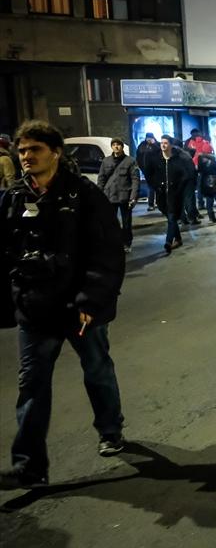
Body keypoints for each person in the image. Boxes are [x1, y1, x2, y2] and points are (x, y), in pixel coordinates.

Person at [0, 121, 126, 489]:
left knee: (97, 369)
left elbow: (106, 252)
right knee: (32, 386)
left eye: (34, 149)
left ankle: (110, 429)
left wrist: (90, 300)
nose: (26, 157)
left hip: (78, 307)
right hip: (35, 309)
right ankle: (29, 465)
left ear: (54, 152)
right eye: (22, 151)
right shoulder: (13, 197)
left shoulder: (83, 195)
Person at [147, 136, 191, 254]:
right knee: (169, 216)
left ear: (170, 145)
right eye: (161, 143)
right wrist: (156, 186)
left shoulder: (177, 159)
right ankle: (178, 239)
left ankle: (168, 241)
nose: (163, 145)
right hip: (161, 194)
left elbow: (185, 175)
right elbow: (149, 174)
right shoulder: (157, 159)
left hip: (174, 194)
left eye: (166, 143)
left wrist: (179, 188)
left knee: (172, 216)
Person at [96, 139, 140, 251]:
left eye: (118, 145)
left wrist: (133, 197)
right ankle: (113, 243)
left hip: (125, 196)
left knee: (126, 223)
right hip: (109, 196)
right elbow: (101, 179)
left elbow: (135, 180)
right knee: (110, 222)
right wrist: (99, 196)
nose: (116, 147)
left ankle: (127, 243)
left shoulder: (130, 161)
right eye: (114, 145)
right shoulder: (106, 161)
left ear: (122, 147)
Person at [184, 128, 213, 211]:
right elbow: (209, 151)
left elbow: (186, 154)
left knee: (195, 186)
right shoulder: (204, 141)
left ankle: (196, 205)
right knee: (205, 184)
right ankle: (205, 203)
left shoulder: (188, 142)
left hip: (192, 166)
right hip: (204, 165)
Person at [196, 151, 216, 223]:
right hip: (215, 183)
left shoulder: (201, 164)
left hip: (205, 184)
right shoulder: (213, 162)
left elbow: (198, 172)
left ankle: (212, 218)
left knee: (209, 201)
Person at [135, 134, 159, 210]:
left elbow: (160, 152)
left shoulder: (157, 144)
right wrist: (141, 167)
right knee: (151, 187)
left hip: (157, 170)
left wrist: (154, 144)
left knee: (158, 187)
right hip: (147, 171)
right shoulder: (142, 145)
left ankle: (158, 203)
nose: (148, 139)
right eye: (147, 138)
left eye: (150, 138)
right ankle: (151, 204)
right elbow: (139, 156)